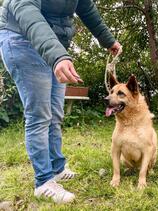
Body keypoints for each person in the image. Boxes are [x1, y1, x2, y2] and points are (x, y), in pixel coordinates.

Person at [0, 0, 122, 204]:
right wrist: (57, 56)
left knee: (56, 113)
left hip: (53, 44)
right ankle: (43, 181)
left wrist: (108, 39)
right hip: (22, 39)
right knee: (39, 115)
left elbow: (85, 7)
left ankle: (57, 168)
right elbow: (26, 11)